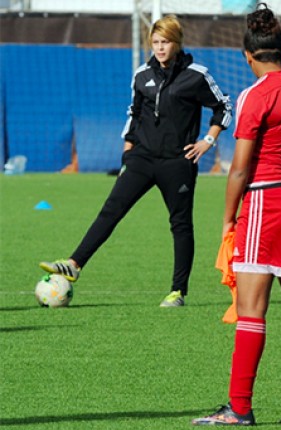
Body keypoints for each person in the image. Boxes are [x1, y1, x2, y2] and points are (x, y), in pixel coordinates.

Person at [192, 3, 281, 426]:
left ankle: (239, 407)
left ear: (248, 55)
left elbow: (239, 167)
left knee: (252, 309)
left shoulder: (255, 95)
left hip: (267, 201)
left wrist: (228, 218)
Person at [39, 15, 232, 307]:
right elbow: (135, 114)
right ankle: (74, 264)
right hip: (141, 158)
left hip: (177, 163)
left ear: (177, 43)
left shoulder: (196, 74)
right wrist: (127, 154)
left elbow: (224, 107)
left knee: (180, 225)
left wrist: (208, 140)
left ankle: (177, 291)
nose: (160, 48)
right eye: (155, 42)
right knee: (111, 210)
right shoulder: (142, 74)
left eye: (165, 42)